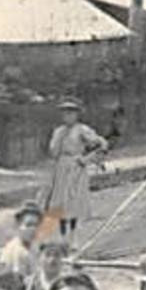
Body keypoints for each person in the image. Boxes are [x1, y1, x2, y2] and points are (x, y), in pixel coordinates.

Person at [43, 99, 108, 244]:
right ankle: (62, 237)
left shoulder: (82, 130)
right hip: (61, 167)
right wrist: (58, 142)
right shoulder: (58, 131)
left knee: (72, 202)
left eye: (71, 113)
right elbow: (53, 152)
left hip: (76, 167)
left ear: (77, 115)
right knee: (59, 202)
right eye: (65, 114)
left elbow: (102, 145)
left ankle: (72, 238)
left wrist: (87, 159)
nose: (67, 117)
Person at [0, 203, 45, 278]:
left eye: (36, 225)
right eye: (28, 225)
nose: (32, 229)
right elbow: (20, 280)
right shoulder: (18, 250)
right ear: (18, 225)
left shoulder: (32, 246)